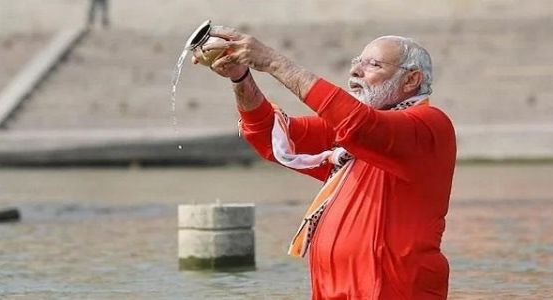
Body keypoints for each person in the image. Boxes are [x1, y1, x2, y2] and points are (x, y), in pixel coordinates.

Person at [192, 27, 456, 300]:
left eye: (373, 65)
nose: (355, 72)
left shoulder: (429, 125)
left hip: (396, 289)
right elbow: (271, 136)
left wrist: (272, 61)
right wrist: (240, 76)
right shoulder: (350, 138)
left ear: (411, 80)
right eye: (357, 63)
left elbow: (358, 123)